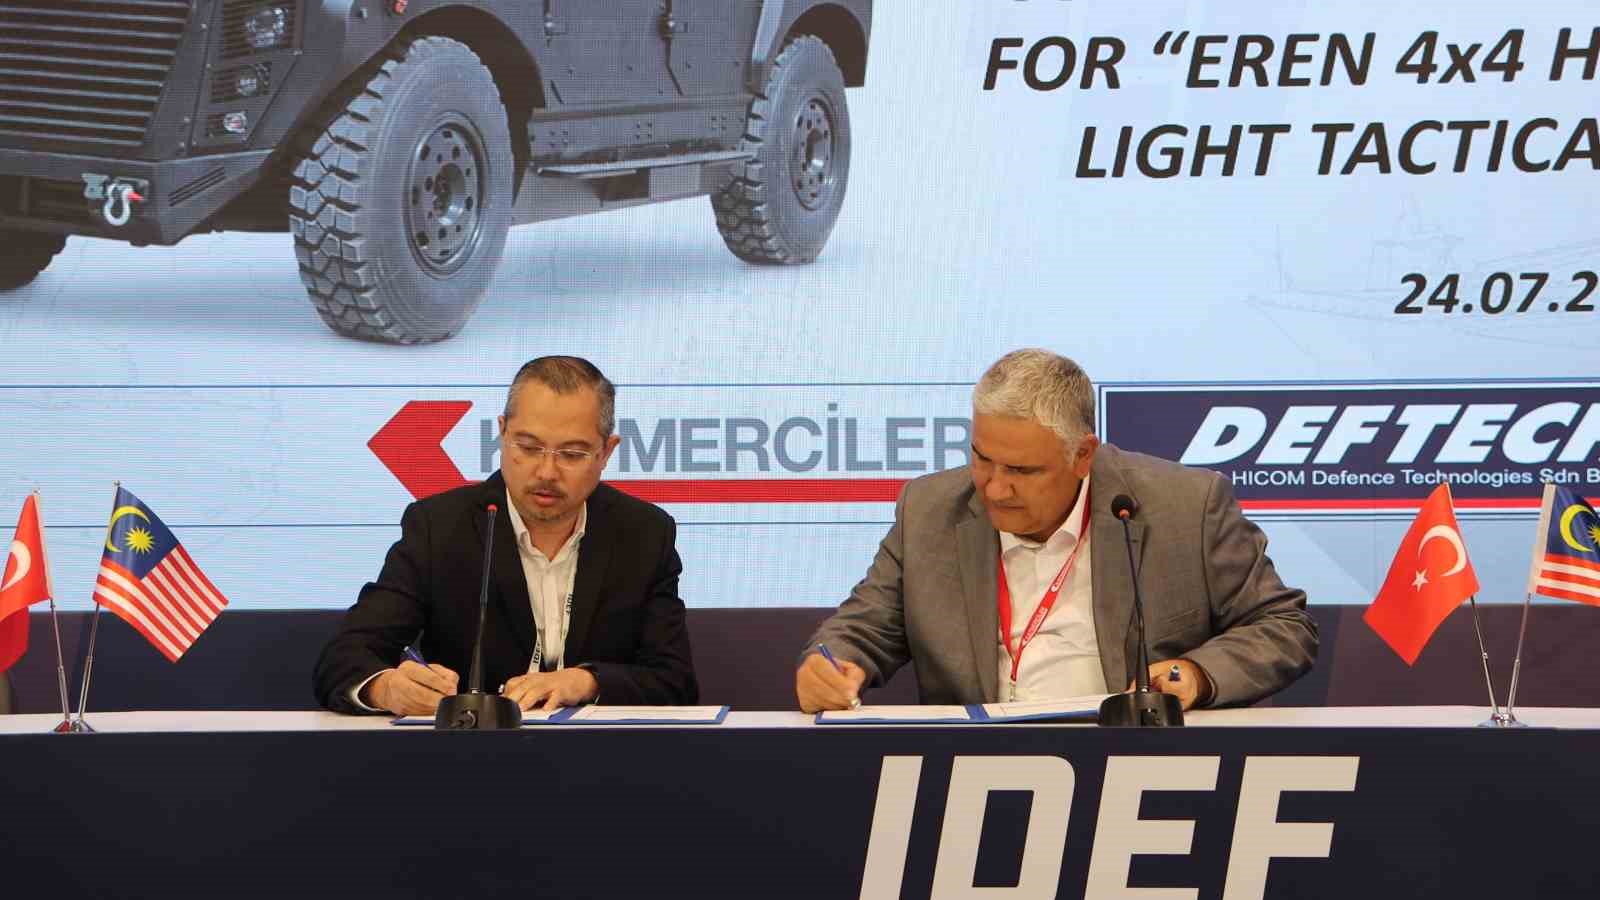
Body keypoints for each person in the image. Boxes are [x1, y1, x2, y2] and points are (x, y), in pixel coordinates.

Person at [797, 349, 1317, 713]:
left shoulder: (1184, 507)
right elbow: (865, 627)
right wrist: (832, 665)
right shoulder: (930, 510)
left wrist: (1196, 676)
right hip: (974, 767)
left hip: (1133, 761)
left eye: (1021, 471)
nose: (994, 488)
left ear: (1082, 455)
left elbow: (1283, 626)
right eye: (982, 458)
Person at [315, 356, 696, 715]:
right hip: (471, 752)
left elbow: (675, 681)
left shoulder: (644, 533)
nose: (546, 472)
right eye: (528, 447)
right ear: (501, 433)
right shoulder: (440, 527)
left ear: (606, 452)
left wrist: (587, 681)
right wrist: (386, 688)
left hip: (598, 754)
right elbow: (345, 656)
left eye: (571, 454)